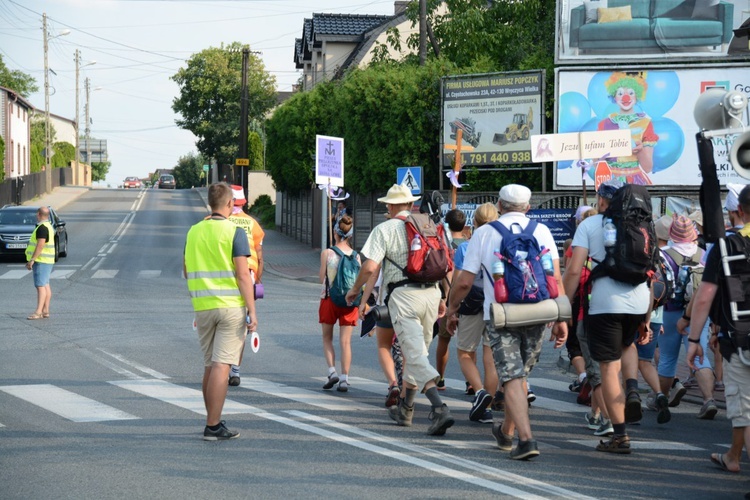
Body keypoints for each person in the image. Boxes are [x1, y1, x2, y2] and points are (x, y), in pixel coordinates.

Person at [446, 184, 567, 461]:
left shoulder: (485, 233)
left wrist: (452, 309)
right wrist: (561, 318)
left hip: (501, 315)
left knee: (511, 376)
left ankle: (526, 439)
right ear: (528, 207)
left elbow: (464, 281)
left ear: (499, 205)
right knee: (520, 375)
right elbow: (554, 278)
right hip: (538, 313)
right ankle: (507, 432)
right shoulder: (542, 231)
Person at [345, 184, 454, 436]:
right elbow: (445, 263)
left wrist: (356, 290)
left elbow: (371, 267)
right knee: (418, 352)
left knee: (414, 355)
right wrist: (444, 297)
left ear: (391, 205)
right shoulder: (428, 224)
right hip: (432, 293)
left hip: (404, 296)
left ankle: (439, 409)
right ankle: (406, 409)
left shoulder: (385, 229)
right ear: (410, 204)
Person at [563, 179, 650, 454]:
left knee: (609, 369)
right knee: (628, 345)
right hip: (639, 301)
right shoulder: (642, 227)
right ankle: (633, 387)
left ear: (602, 200)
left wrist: (563, 308)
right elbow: (651, 272)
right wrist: (646, 318)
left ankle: (620, 436)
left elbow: (574, 271)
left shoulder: (590, 225)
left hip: (604, 303)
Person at [184, 183, 258, 441]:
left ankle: (211, 418)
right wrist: (252, 310)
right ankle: (213, 425)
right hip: (229, 307)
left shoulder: (193, 231)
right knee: (222, 366)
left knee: (209, 365)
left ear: (209, 204)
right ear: (229, 205)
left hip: (202, 307)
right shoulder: (234, 232)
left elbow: (185, 270)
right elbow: (243, 275)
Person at [687, 185, 750, 486]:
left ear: (739, 210)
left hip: (742, 340)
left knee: (746, 413)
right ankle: (733, 457)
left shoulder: (726, 246)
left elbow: (704, 297)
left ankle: (735, 458)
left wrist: (693, 339)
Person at [659, 214, 717, 419]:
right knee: (701, 358)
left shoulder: (663, 254)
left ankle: (662, 399)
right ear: (693, 233)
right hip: (698, 313)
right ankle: (709, 400)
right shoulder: (704, 254)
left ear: (672, 234)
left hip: (670, 311)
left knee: (667, 357)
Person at [451, 202, 500, 424]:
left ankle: (479, 392)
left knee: (464, 352)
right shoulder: (503, 242)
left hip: (472, 303)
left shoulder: (467, 246)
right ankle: (486, 409)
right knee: (490, 360)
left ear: (475, 222)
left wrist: (452, 308)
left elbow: (460, 281)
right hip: (496, 304)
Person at [227, 185, 265, 387]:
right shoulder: (252, 223)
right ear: (243, 203)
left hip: (223, 275)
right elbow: (259, 254)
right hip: (247, 275)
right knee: (241, 324)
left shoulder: (214, 222)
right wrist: (258, 278)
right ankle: (235, 369)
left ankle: (221, 366)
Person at [319, 215, 359, 392]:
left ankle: (332, 371)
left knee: (327, 338)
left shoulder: (328, 253)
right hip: (350, 301)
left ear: (335, 232)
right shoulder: (356, 256)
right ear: (350, 235)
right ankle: (344, 378)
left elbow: (322, 278)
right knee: (346, 342)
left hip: (329, 299)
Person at [597, 71, 658, 185]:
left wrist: (639, 150)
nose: (625, 98)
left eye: (631, 93)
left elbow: (647, 168)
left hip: (634, 182)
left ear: (637, 95)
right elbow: (597, 164)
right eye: (620, 93)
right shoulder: (604, 124)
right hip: (610, 182)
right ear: (614, 97)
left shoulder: (645, 124)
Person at [436, 208, 468, 391]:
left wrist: (444, 298)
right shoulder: (471, 244)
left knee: (443, 340)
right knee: (467, 344)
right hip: (468, 298)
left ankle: (440, 378)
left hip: (447, 298)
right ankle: (470, 382)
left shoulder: (443, 246)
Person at [25, 206, 55, 320]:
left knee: (40, 286)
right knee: (45, 285)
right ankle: (45, 310)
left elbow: (40, 244)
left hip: (41, 260)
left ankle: (38, 312)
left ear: (38, 214)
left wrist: (32, 259)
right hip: (47, 260)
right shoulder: (48, 226)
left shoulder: (42, 228)